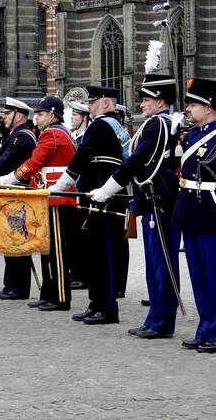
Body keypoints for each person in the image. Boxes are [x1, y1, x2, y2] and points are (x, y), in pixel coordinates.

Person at [89, 74, 180, 339]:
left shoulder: (157, 126)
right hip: (154, 200)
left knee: (160, 266)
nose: (141, 104)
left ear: (161, 101)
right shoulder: (159, 123)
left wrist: (107, 190)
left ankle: (160, 321)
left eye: (146, 99)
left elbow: (136, 162)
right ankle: (156, 318)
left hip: (159, 201)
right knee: (156, 266)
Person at [52, 86, 129, 325]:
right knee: (97, 253)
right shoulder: (113, 126)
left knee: (101, 254)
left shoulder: (102, 124)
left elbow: (81, 158)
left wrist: (60, 186)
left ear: (106, 103)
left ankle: (105, 308)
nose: (89, 106)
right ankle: (96, 303)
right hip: (103, 197)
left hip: (102, 199)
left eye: (93, 102)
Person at [0, 96, 77, 311]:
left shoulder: (52, 133)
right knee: (47, 249)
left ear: (52, 115)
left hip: (58, 197)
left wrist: (9, 178)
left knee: (57, 251)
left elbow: (34, 163)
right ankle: (48, 293)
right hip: (50, 196)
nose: (37, 118)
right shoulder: (56, 133)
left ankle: (60, 297)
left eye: (40, 114)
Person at [172, 78, 216, 353]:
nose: (188, 108)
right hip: (190, 211)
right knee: (198, 278)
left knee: (212, 276)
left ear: (209, 107)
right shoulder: (192, 135)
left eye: (193, 104)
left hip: (210, 211)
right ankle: (206, 327)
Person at [0, 97, 38, 301]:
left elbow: (4, 162)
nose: (4, 116)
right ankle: (10, 285)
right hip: (9, 193)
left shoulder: (22, 137)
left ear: (20, 116)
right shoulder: (15, 135)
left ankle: (19, 287)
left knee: (17, 240)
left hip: (19, 195)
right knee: (10, 240)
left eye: (8, 113)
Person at [67, 101, 92, 290]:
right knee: (73, 236)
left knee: (83, 236)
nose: (72, 118)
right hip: (72, 192)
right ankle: (75, 273)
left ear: (84, 117)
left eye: (76, 115)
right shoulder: (73, 138)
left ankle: (83, 275)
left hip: (83, 191)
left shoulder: (86, 139)